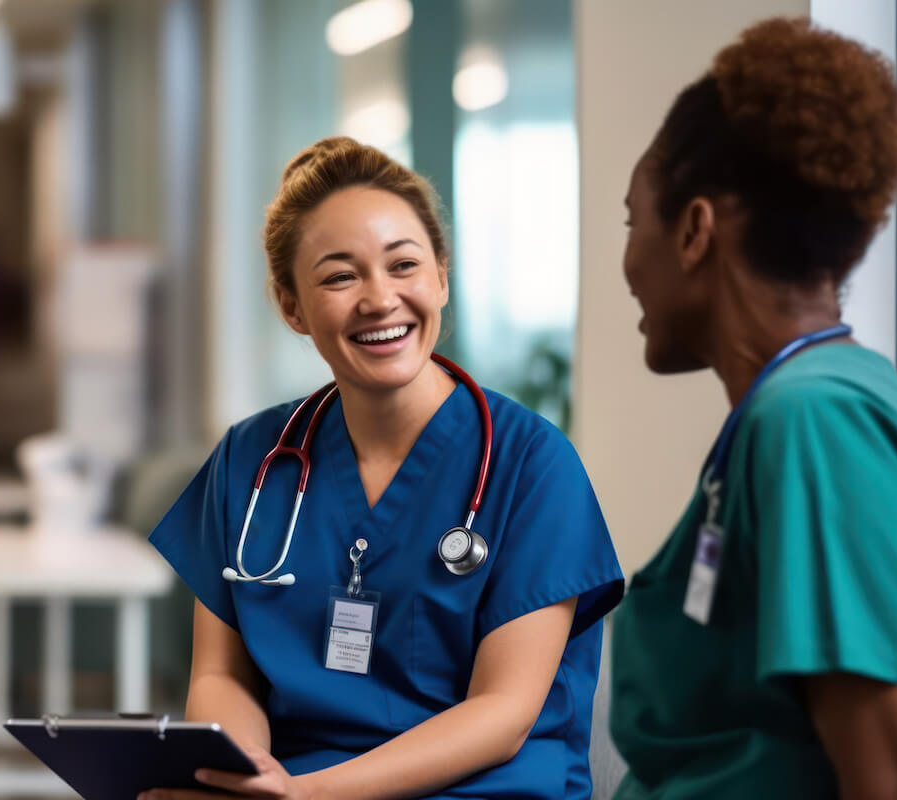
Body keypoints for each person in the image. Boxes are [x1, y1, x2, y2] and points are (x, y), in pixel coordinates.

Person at [141, 136, 623, 800]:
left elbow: (503, 716)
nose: (379, 299)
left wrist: (310, 796)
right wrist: (245, 774)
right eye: (341, 276)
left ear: (442, 278)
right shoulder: (250, 461)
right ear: (291, 305)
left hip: (482, 787)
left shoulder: (532, 464)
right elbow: (221, 676)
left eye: (404, 265)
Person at [609, 18, 897, 800]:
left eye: (631, 220)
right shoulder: (803, 406)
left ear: (693, 231)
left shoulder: (818, 423)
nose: (627, 267)